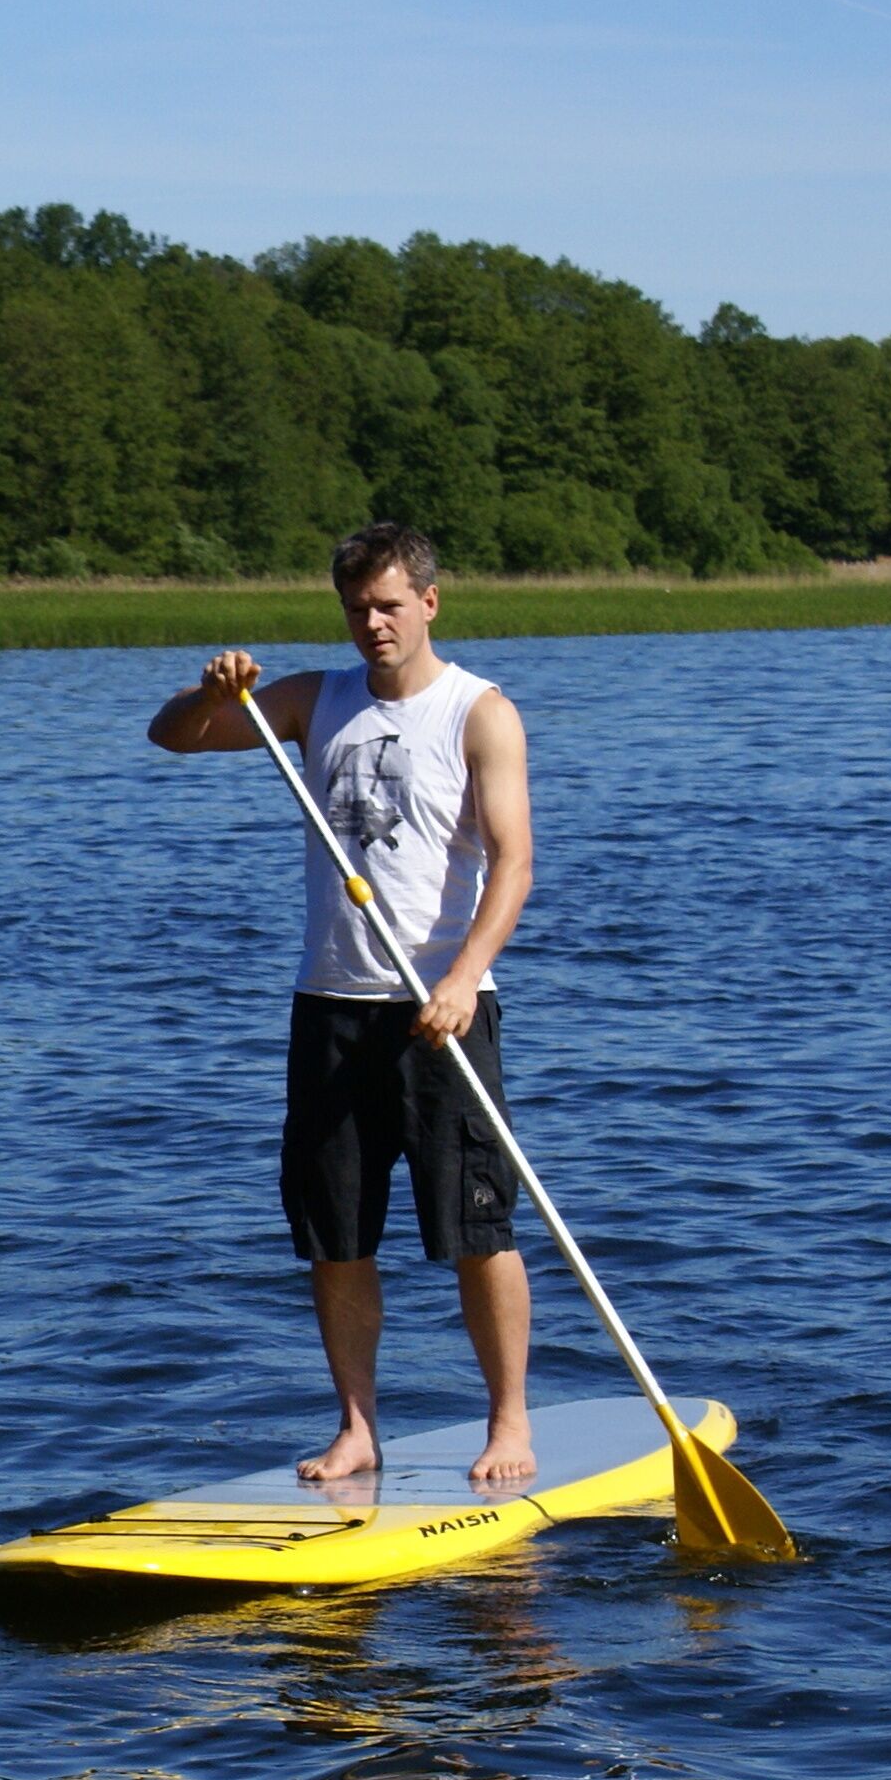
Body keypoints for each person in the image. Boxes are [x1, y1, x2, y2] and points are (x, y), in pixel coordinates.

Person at [145, 520, 539, 1487]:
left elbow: (514, 865)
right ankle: (357, 1427)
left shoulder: (480, 713)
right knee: (336, 1235)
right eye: (357, 609)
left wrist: (461, 979)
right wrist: (212, 693)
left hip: (440, 1011)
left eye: (389, 606)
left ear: (429, 603)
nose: (373, 624)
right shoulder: (312, 700)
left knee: (476, 1231)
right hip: (330, 1006)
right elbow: (173, 736)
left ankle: (509, 1423)